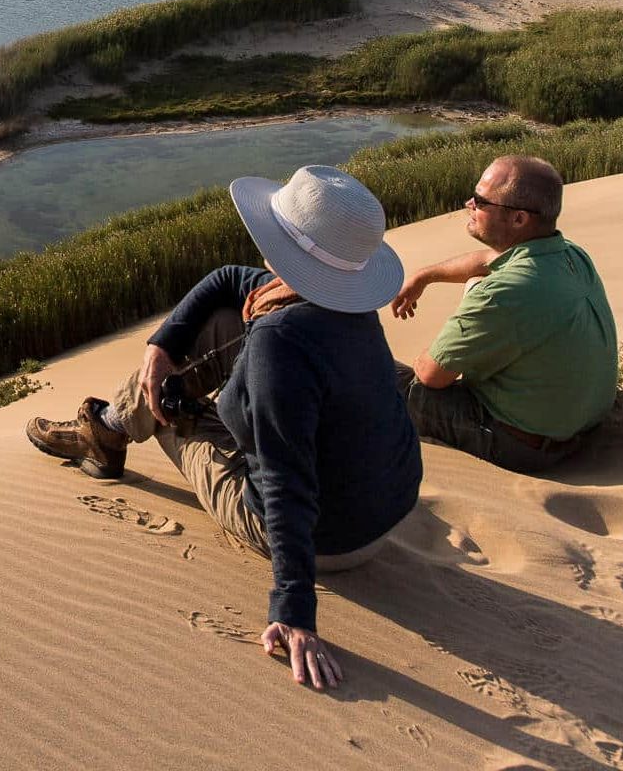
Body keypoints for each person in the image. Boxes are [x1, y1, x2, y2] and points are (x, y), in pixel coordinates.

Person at [26, 165, 422, 690]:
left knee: (163, 403)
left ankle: (107, 432)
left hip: (328, 540)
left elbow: (285, 483)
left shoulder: (281, 340)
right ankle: (109, 426)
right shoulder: (341, 304)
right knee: (213, 327)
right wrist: (163, 345)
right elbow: (228, 279)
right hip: (380, 514)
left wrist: (294, 609)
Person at [392, 155, 618, 474]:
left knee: (382, 374)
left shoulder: (503, 293)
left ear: (518, 219)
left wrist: (457, 323)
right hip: (580, 426)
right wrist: (424, 276)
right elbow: (488, 259)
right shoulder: (570, 255)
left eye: (482, 201)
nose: (469, 203)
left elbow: (431, 376)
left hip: (522, 446)